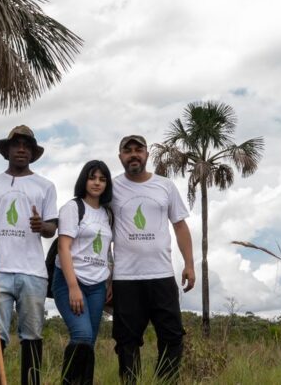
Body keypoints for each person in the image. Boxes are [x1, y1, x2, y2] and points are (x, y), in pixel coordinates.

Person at [0, 125, 58, 385]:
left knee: (32, 335)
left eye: (27, 146)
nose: (21, 149)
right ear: (6, 150)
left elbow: (51, 228)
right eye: (16, 145)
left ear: (32, 152)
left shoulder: (45, 186)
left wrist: (41, 226)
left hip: (33, 273)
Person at [111, 135, 195, 383]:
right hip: (126, 278)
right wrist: (106, 275)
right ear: (120, 157)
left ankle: (165, 380)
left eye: (139, 150)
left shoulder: (165, 186)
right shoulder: (112, 188)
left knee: (172, 336)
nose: (133, 154)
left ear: (147, 155)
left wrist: (189, 264)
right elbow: (101, 231)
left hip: (161, 275)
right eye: (128, 151)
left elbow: (180, 226)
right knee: (126, 340)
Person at [52, 160, 114, 385]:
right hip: (70, 280)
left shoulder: (108, 213)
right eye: (92, 177)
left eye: (102, 179)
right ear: (84, 180)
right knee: (82, 336)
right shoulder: (73, 208)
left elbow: (108, 250)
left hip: (97, 286)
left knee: (90, 341)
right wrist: (73, 287)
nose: (97, 183)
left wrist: (110, 280)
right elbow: (63, 247)